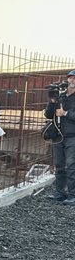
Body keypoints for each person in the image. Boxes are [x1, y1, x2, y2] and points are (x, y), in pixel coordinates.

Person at [45, 69, 75, 206]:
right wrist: (52, 101)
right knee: (59, 166)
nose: (72, 80)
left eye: (74, 78)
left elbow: (64, 114)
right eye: (70, 78)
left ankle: (72, 194)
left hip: (73, 136)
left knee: (72, 166)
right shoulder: (61, 96)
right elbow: (48, 114)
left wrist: (66, 113)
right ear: (67, 80)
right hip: (58, 136)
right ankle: (60, 193)